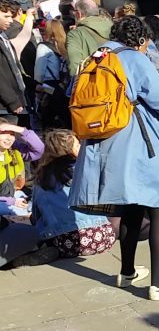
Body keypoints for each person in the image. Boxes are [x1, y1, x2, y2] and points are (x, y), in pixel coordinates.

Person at [69, 16, 159, 301]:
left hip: (103, 140)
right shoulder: (134, 58)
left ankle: (127, 272)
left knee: (132, 204)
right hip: (137, 139)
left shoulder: (96, 56)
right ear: (140, 40)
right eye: (145, 44)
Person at [33, 129, 115, 261]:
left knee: (37, 226)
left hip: (66, 241)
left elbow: (37, 213)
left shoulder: (43, 179)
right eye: (78, 145)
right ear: (69, 150)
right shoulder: (87, 170)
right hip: (104, 237)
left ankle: (50, 250)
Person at [0, 121, 45, 267]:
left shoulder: (13, 151)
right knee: (18, 214)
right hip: (5, 202)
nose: (9, 138)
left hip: (13, 196)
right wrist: (11, 202)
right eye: (3, 133)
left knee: (38, 205)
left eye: (12, 134)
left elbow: (39, 149)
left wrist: (17, 128)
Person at [34, 18, 70, 129]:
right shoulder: (66, 45)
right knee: (66, 119)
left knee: (48, 121)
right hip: (65, 87)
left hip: (49, 87)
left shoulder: (43, 47)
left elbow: (39, 73)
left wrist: (37, 88)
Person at [65, 0, 113, 77]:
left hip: (91, 83)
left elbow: (74, 67)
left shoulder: (75, 34)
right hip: (115, 82)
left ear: (78, 14)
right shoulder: (113, 27)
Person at [0, 0, 27, 124]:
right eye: (6, 16)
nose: (11, 21)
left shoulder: (3, 38)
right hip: (5, 106)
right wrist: (12, 101)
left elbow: (14, 67)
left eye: (11, 16)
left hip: (15, 102)